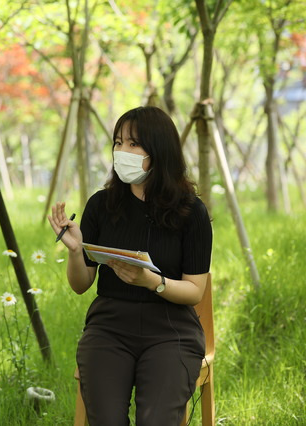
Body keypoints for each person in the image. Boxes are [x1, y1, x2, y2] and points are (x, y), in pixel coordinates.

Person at [48, 106, 212, 425]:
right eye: (118, 143)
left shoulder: (191, 212)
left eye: (134, 144)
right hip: (109, 328)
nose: (123, 151)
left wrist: (151, 281)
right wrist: (75, 249)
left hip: (170, 329)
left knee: (156, 420)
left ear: (159, 150)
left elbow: (195, 291)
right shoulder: (102, 204)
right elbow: (81, 285)